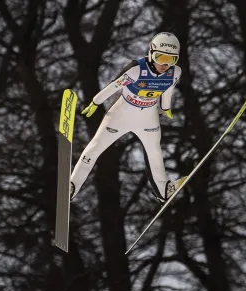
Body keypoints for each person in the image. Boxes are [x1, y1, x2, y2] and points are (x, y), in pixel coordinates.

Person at [70, 32, 186, 204]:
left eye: (171, 60)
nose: (164, 64)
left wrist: (165, 107)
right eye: (160, 57)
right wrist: (96, 102)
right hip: (121, 115)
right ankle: (71, 186)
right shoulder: (136, 69)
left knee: (155, 152)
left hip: (148, 117)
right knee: (95, 147)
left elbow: (168, 89)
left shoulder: (175, 72)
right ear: (151, 53)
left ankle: (163, 191)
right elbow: (113, 86)